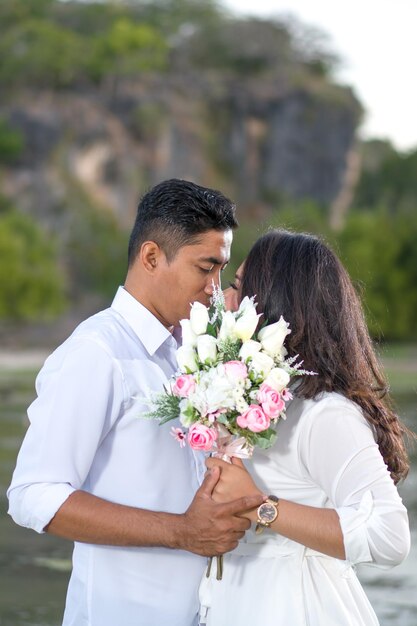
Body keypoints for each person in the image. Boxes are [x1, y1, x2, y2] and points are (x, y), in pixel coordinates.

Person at [7, 179, 264, 626]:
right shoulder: (96, 353)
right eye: (206, 267)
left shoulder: (198, 349)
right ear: (151, 257)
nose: (214, 287)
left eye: (221, 270)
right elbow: (34, 496)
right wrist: (182, 532)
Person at [200, 229, 412, 626]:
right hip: (235, 602)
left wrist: (259, 506)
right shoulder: (254, 397)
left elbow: (391, 536)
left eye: (237, 286)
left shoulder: (324, 414)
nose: (223, 298)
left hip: (295, 606)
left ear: (274, 302)